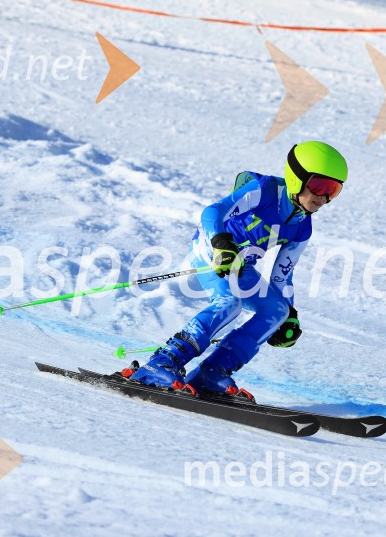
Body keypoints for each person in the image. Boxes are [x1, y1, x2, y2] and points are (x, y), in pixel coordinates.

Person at [128, 141, 348, 399]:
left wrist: (291, 314)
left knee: (277, 310)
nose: (323, 197)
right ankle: (162, 363)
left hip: (240, 265)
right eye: (319, 186)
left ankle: (212, 372)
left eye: (333, 190)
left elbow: (282, 275)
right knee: (230, 303)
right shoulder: (265, 190)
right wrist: (220, 243)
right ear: (297, 178)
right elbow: (213, 212)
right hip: (210, 252)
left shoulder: (302, 226)